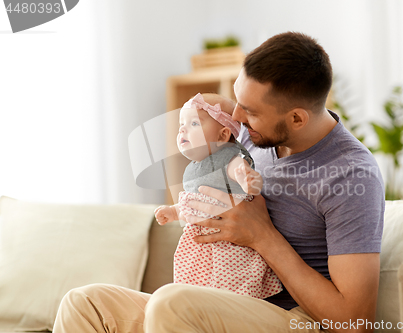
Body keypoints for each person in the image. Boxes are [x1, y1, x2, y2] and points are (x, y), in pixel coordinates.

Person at [53, 31, 384, 333]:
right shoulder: (253, 137)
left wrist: (264, 236)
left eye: (250, 111)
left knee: (173, 302)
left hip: (294, 318)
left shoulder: (351, 174)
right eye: (237, 100)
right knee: (85, 303)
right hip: (217, 296)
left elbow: (353, 321)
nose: (236, 117)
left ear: (296, 118)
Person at [154, 92, 282, 299]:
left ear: (223, 136)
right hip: (201, 251)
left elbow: (243, 175)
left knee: (231, 291)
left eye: (195, 123)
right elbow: (194, 203)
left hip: (229, 249)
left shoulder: (229, 159)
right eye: (181, 124)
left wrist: (249, 181)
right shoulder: (194, 169)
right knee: (194, 293)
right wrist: (174, 212)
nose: (183, 129)